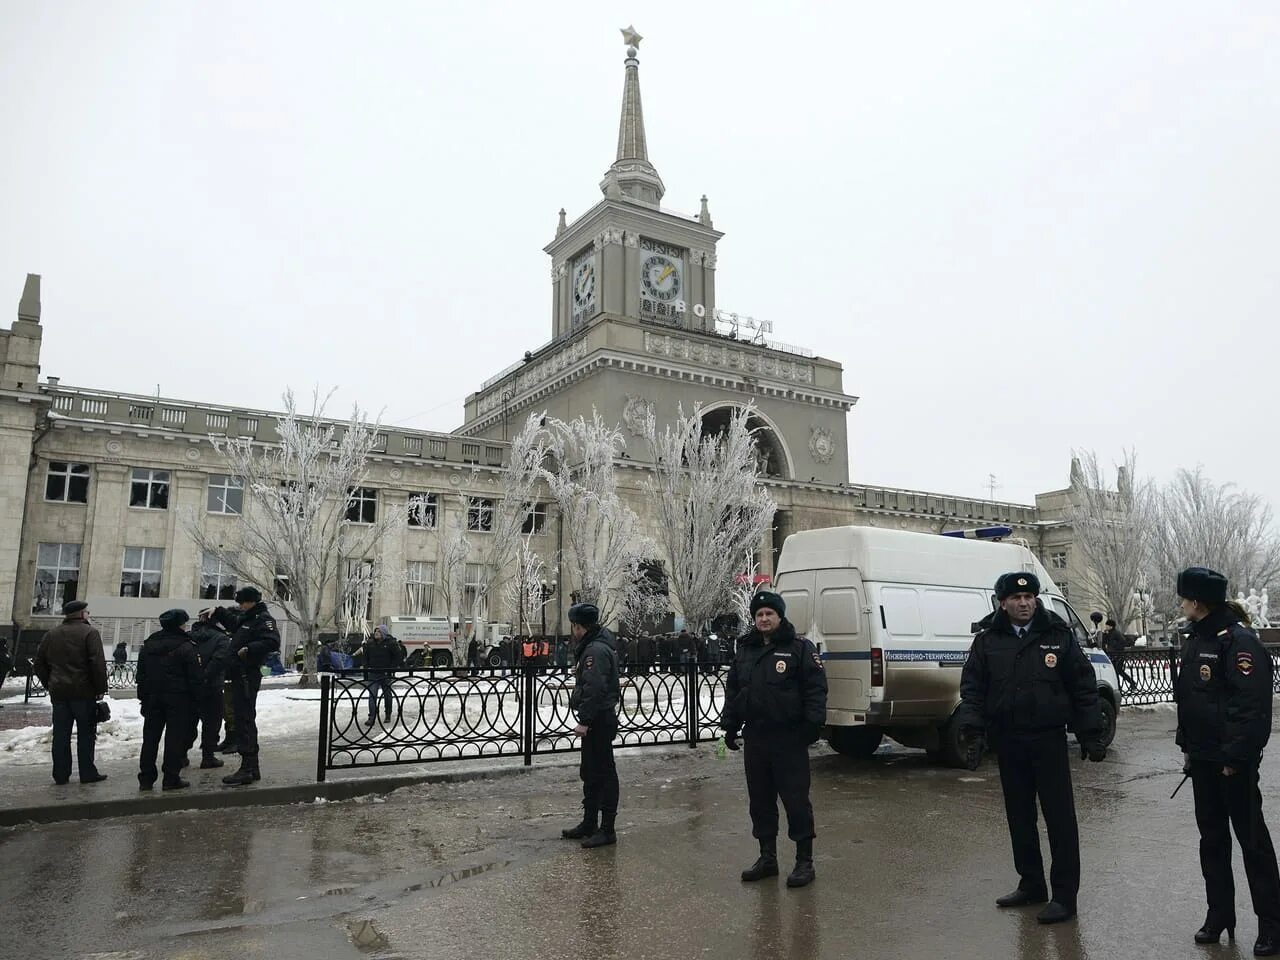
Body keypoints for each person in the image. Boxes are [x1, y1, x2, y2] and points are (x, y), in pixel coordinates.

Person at [957, 572, 1106, 924]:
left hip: (1048, 740)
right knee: (1019, 817)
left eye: (1030, 598)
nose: (1024, 603)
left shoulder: (1057, 635)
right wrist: (973, 732)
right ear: (1003, 602)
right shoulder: (988, 640)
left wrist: (1090, 732)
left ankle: (1065, 896)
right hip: (1008, 740)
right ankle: (1032, 884)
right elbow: (973, 689)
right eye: (1016, 598)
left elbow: (1083, 685)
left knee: (1060, 820)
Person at [1173, 567, 1280, 955]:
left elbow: (1250, 707)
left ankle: (1272, 924)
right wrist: (1188, 747)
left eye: (1184, 598)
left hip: (1232, 764)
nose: (1181, 604)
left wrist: (1236, 757)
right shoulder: (1197, 638)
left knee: (1253, 844)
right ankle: (1219, 915)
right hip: (1203, 761)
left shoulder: (1239, 641)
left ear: (1197, 602)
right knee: (1212, 842)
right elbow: (1191, 699)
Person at [720, 591, 828, 889]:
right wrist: (729, 725)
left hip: (788, 739)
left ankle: (804, 862)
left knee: (795, 801)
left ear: (780, 617)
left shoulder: (799, 649)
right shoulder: (745, 651)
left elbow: (816, 689)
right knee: (761, 801)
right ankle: (767, 858)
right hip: (756, 737)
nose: (764, 619)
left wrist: (811, 726)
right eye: (759, 615)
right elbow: (735, 692)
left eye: (769, 613)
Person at [560, 603, 622, 849]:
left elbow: (594, 688)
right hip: (599, 716)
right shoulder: (595, 646)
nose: (572, 631)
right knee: (591, 771)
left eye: (574, 626)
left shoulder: (594, 651)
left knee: (604, 773)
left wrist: (584, 720)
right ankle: (589, 823)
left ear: (579, 626)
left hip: (599, 718)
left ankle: (607, 829)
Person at [32, 600, 108, 785]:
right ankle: (87, 773)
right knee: (86, 734)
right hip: (84, 693)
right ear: (81, 614)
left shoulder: (52, 634)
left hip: (59, 693)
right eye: (86, 612)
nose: (88, 614)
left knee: (61, 735)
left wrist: (50, 683)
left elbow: (39, 663)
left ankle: (60, 775)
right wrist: (100, 690)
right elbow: (97, 664)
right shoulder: (90, 633)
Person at [136, 609, 202, 791]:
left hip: (152, 698)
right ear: (181, 624)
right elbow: (195, 678)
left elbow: (140, 675)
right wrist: (196, 702)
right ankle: (171, 778)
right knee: (175, 739)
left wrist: (143, 698)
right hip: (179, 700)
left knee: (150, 739)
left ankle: (146, 778)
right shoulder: (186, 646)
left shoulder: (149, 644)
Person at [222, 586, 280, 787]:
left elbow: (272, 642)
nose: (240, 606)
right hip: (240, 675)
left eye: (242, 602)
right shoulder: (248, 618)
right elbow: (234, 622)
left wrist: (249, 649)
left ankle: (247, 767)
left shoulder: (262, 619)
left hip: (247, 675)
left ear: (251, 602)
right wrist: (219, 612)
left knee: (245, 721)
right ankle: (251, 767)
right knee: (243, 719)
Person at [190, 608, 234, 769]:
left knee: (187, 722)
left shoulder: (188, 636)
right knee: (211, 723)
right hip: (212, 687)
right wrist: (205, 678)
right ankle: (208, 757)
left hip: (190, 688)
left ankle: (180, 755)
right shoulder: (222, 639)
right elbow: (219, 661)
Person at [354, 625, 403, 725]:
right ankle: (371, 717)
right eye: (375, 631)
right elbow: (365, 657)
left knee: (387, 695)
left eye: (379, 631)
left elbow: (398, 657)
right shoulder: (370, 643)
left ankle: (388, 714)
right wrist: (366, 667)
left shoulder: (391, 643)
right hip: (373, 673)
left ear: (384, 633)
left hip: (386, 673)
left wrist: (391, 668)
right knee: (372, 695)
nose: (376, 633)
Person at [1103, 618, 1136, 692]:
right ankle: (1121, 685)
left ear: (1111, 626)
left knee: (1118, 670)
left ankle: (1130, 684)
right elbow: (1105, 642)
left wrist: (1114, 647)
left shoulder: (1116, 633)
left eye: (1107, 625)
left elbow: (1123, 642)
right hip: (1113, 655)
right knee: (1116, 671)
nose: (1106, 627)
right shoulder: (1109, 633)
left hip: (1118, 655)